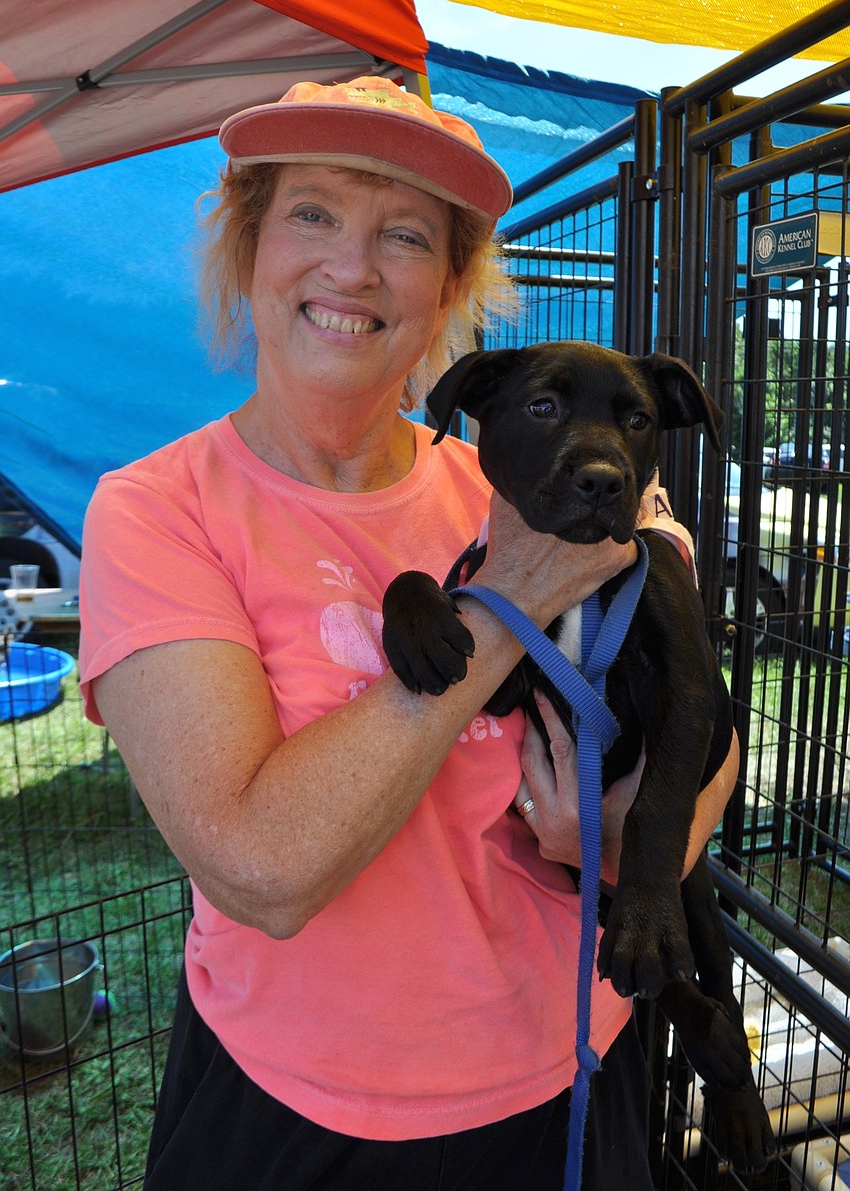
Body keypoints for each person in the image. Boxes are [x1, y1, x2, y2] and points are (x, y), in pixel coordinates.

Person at [78, 77, 738, 1191]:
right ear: (249, 247)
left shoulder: (513, 483)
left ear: (448, 292)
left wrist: (626, 839)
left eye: (405, 236)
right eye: (313, 215)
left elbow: (700, 720)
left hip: (571, 1067)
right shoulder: (158, 509)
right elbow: (265, 868)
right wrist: (508, 597)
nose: (353, 267)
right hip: (303, 1108)